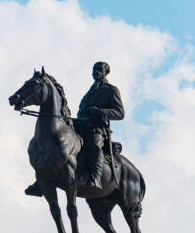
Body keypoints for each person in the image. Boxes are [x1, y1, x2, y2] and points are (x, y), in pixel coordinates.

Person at [24, 61, 124, 196]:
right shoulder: (89, 92)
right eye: (94, 69)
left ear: (106, 72)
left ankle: (96, 177)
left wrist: (100, 111)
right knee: (58, 142)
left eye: (100, 69)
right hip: (80, 125)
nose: (96, 71)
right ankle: (42, 179)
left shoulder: (111, 90)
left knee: (94, 146)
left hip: (96, 128)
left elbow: (119, 113)